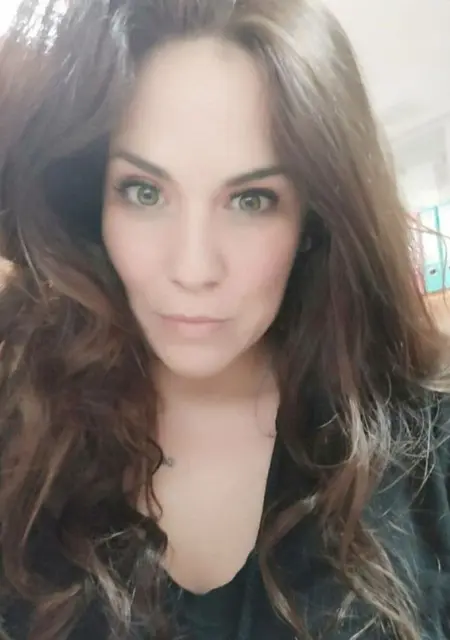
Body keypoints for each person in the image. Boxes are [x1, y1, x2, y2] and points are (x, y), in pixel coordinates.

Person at [0, 0, 448, 638]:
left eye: (251, 200)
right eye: (144, 192)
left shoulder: (427, 446)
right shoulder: (21, 428)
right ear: (90, 203)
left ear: (313, 219)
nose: (193, 268)